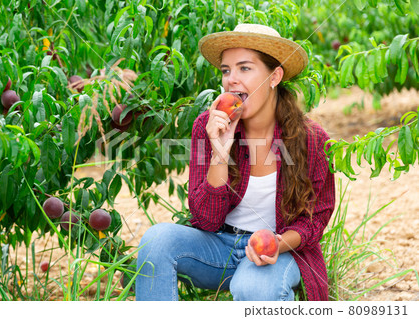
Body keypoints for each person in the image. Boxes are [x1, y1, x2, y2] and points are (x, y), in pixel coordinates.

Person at [135, 24, 335, 301]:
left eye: (245, 68)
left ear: (274, 76)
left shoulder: (310, 138)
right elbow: (206, 219)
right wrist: (220, 150)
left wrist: (278, 244)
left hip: (279, 252)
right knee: (156, 241)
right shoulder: (209, 125)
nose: (232, 80)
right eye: (226, 70)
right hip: (219, 247)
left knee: (253, 287)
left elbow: (316, 218)